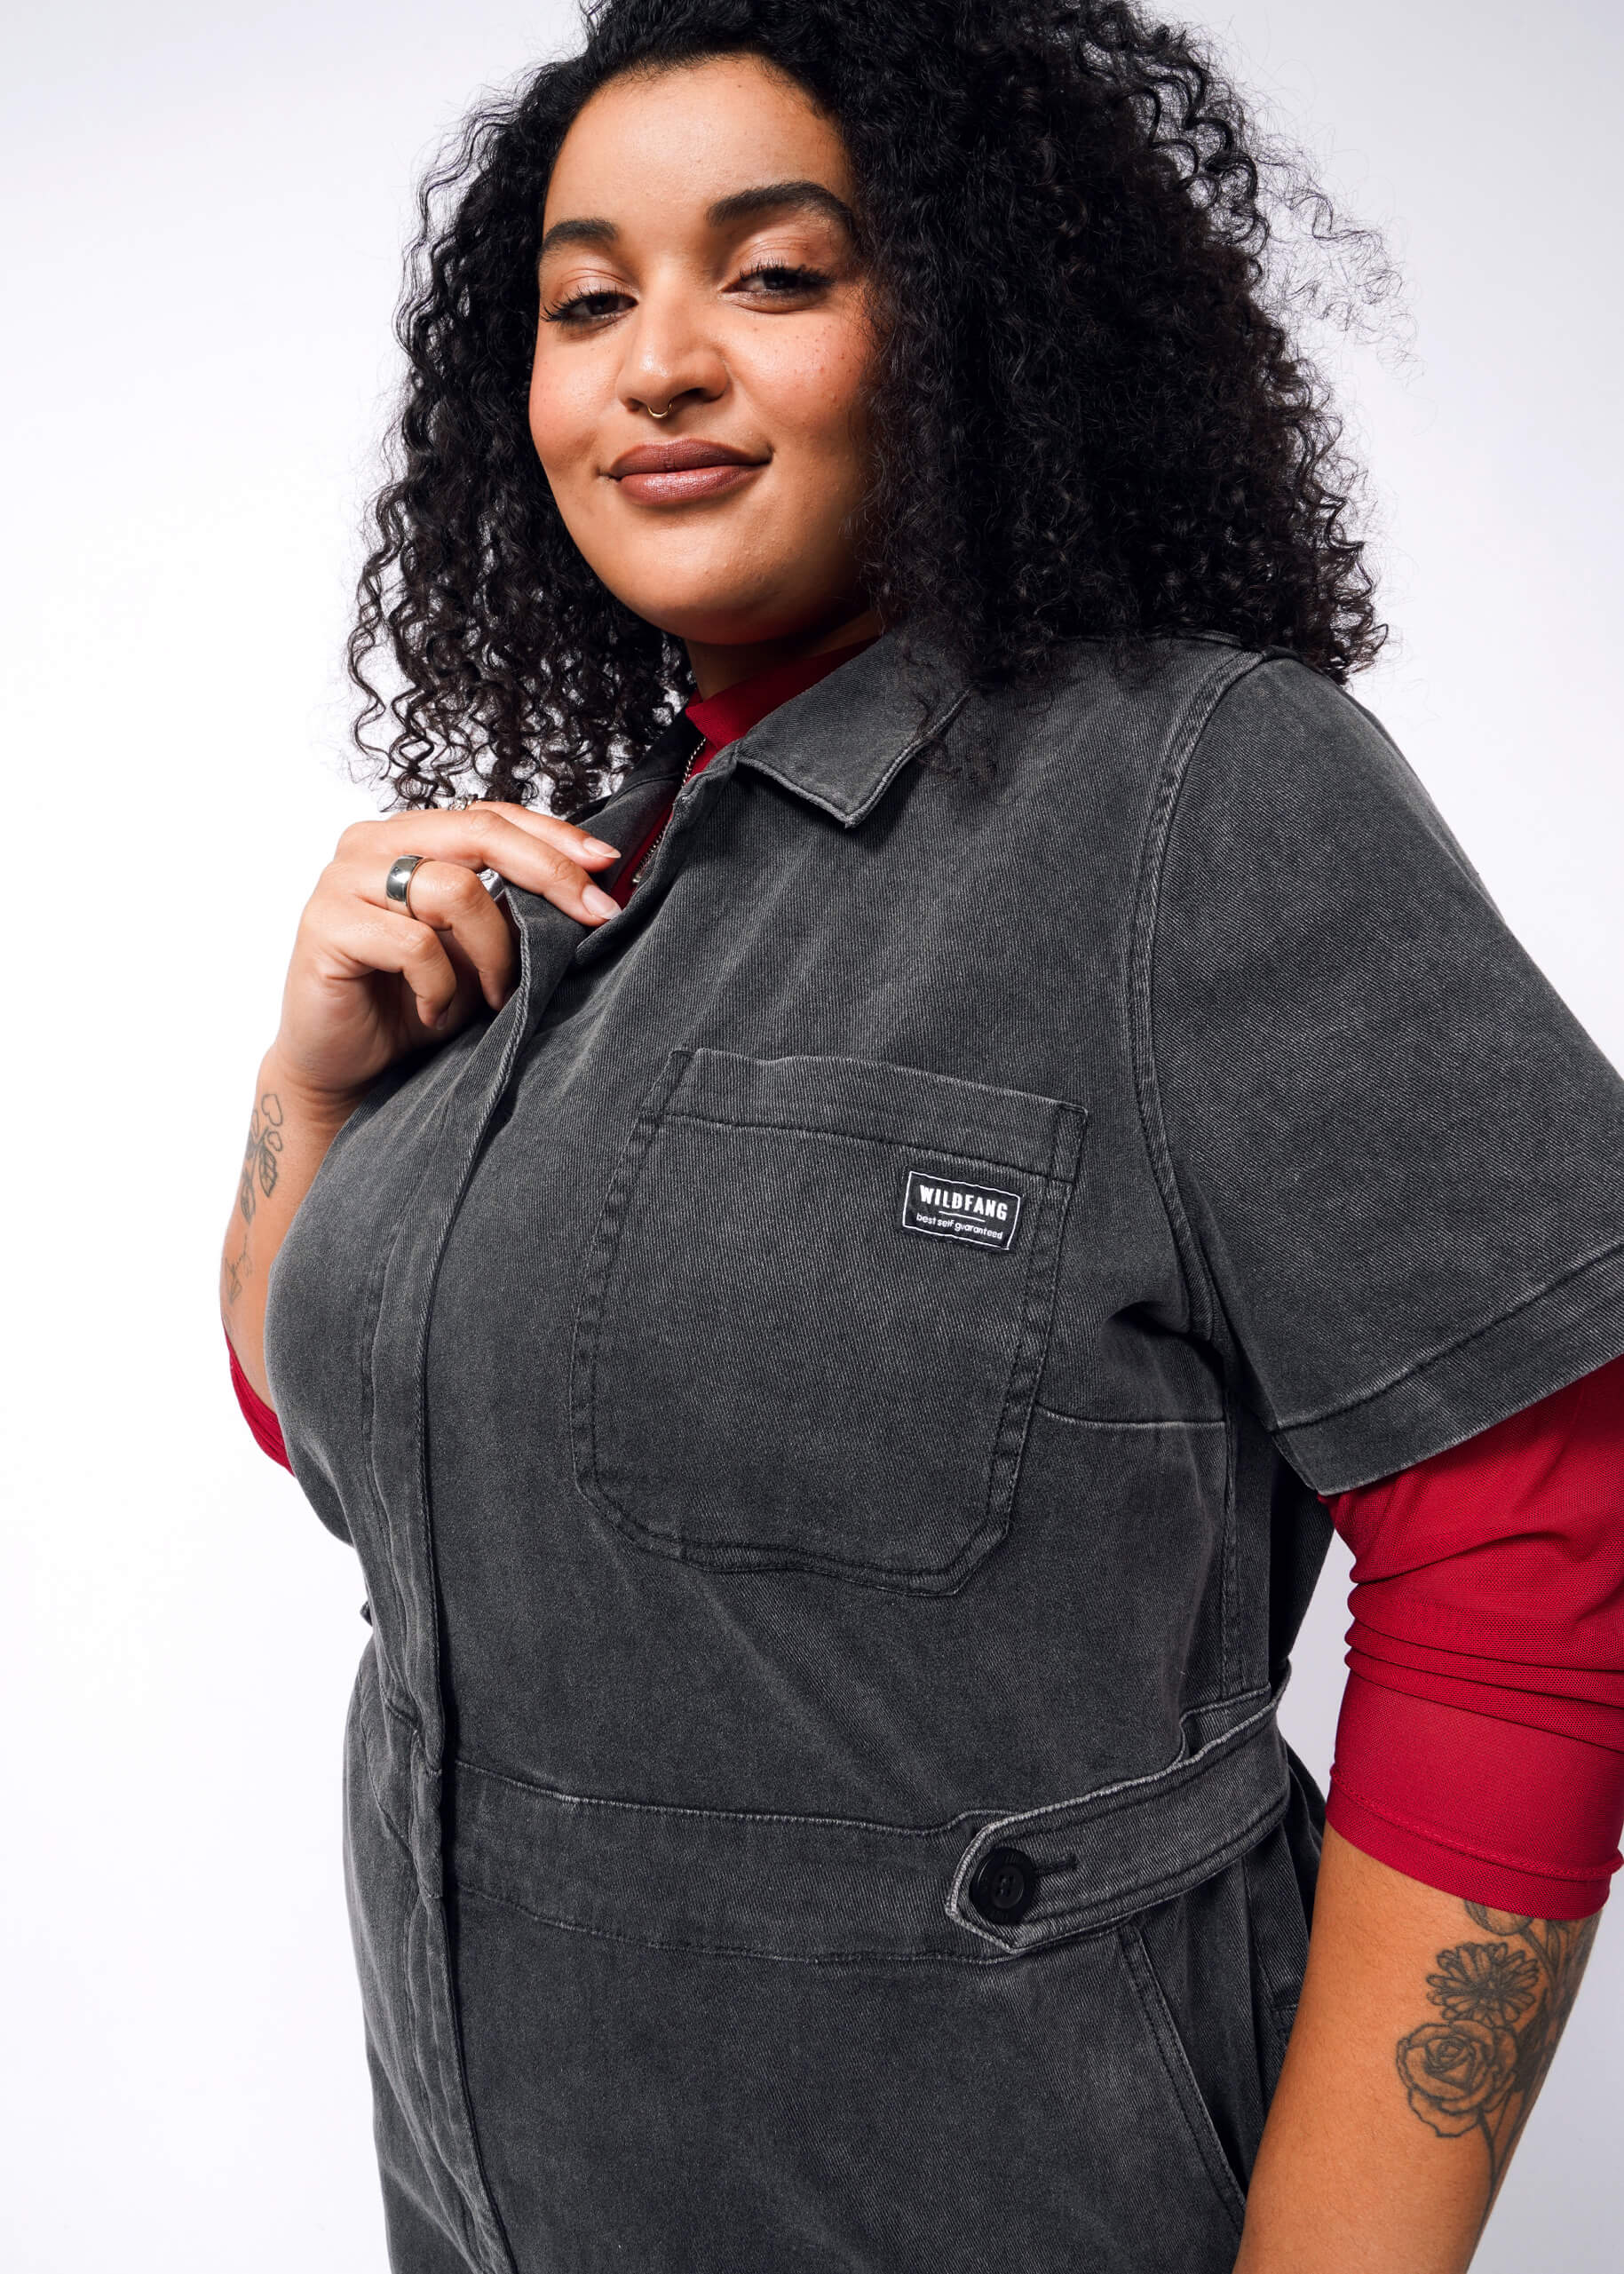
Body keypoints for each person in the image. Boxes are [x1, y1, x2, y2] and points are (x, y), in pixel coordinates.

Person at [220, 4, 1624, 2268]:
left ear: (969, 328)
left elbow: (1543, 1554)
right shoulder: (578, 882)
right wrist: (307, 1097)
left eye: (773, 277)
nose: (659, 362)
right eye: (588, 303)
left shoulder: (1198, 799)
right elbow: (346, 1432)